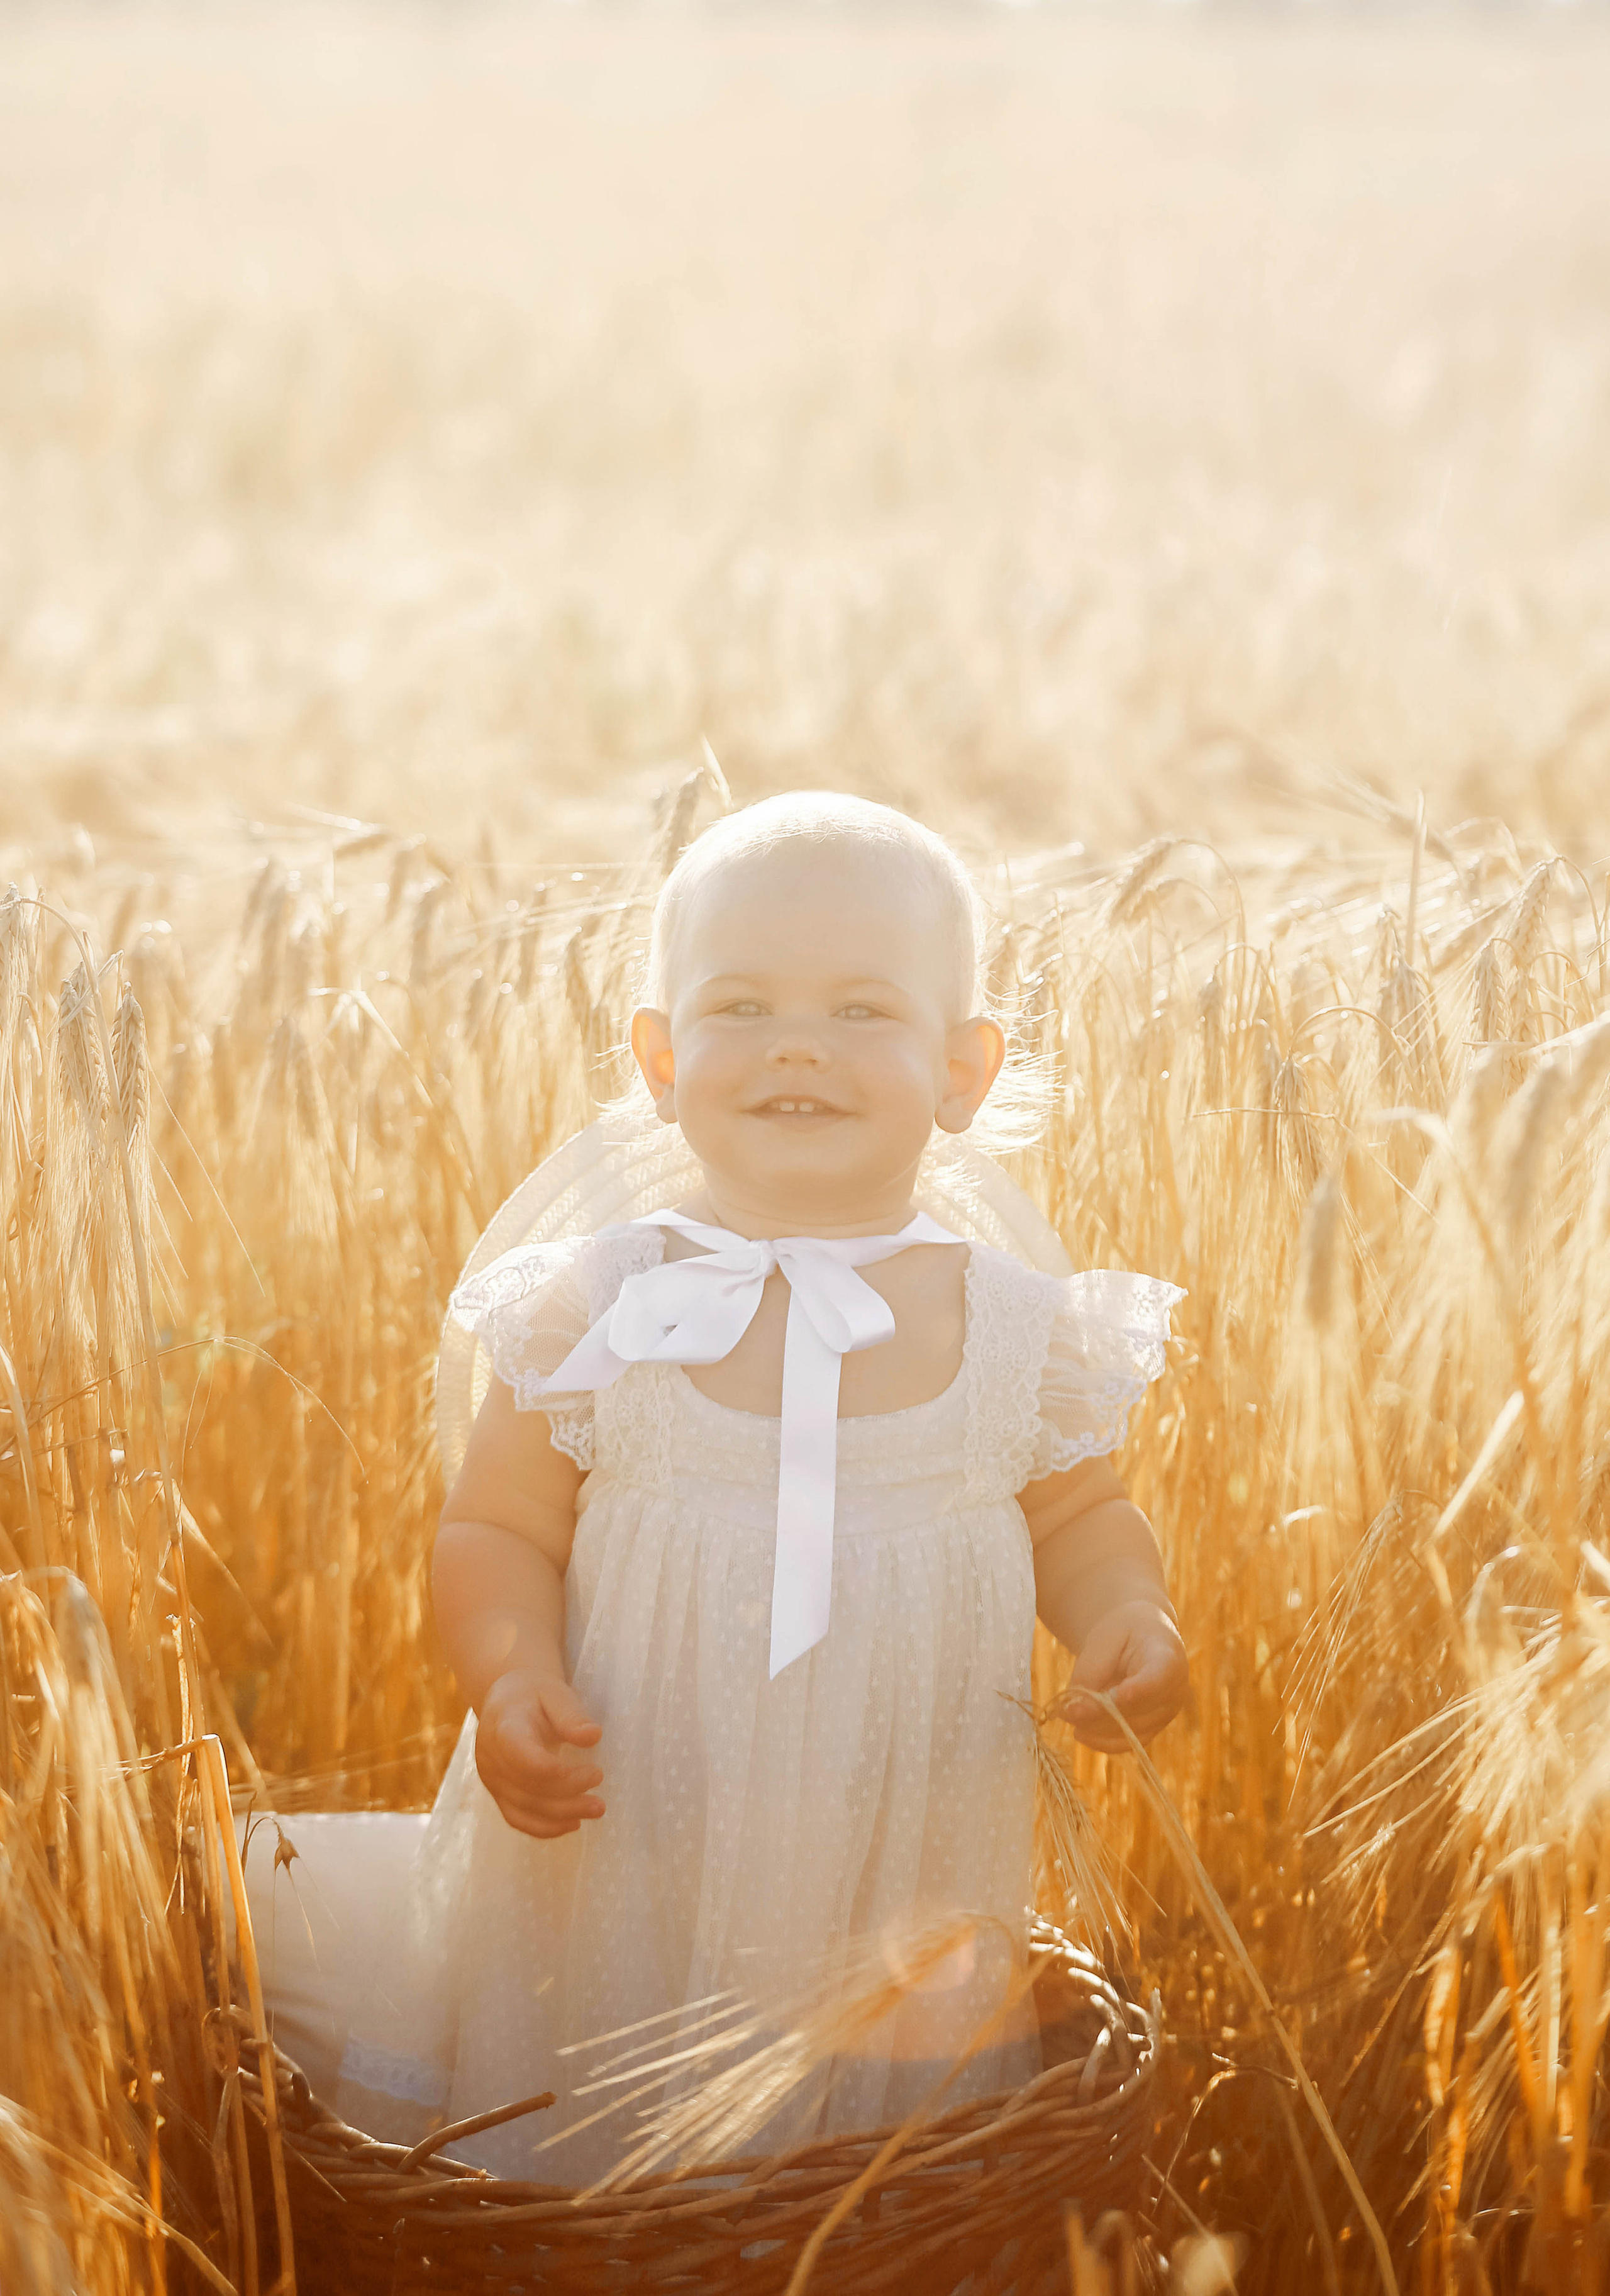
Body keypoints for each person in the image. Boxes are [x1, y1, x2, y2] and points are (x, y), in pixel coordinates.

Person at [336, 791, 1186, 2180]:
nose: (798, 1043)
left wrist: (1127, 1619)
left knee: (877, 2165)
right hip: (628, 1833)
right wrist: (508, 1674)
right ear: (662, 1059)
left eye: (861, 1009)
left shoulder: (1014, 1329)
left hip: (898, 1851)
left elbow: (1081, 1515)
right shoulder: (598, 1307)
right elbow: (497, 1525)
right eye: (742, 1006)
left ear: (962, 1070)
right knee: (597, 2122)